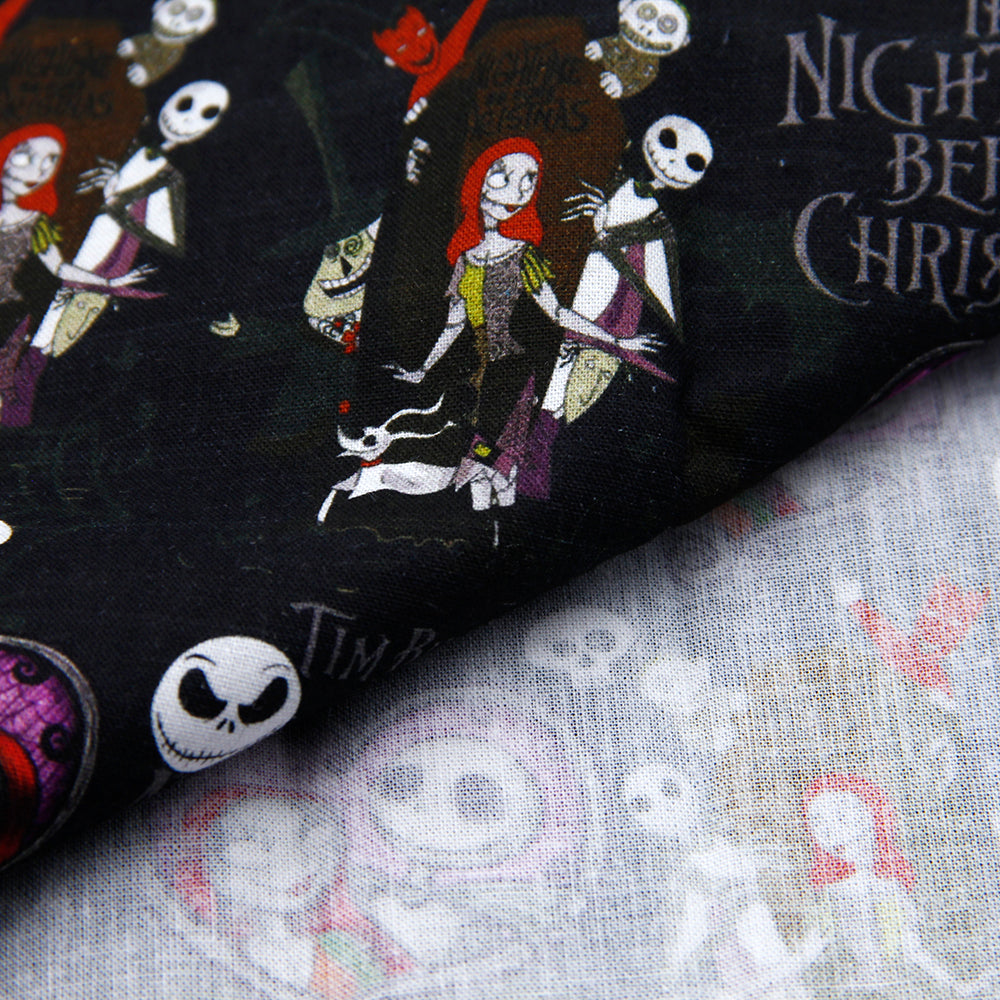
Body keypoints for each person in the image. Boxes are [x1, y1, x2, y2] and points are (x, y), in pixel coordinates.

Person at [386, 136, 658, 508]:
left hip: (516, 371)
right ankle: (500, 508)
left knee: (483, 454)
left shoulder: (523, 254)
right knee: (490, 461)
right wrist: (423, 371)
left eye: (529, 180)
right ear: (477, 183)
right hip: (484, 373)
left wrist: (617, 341)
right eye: (502, 176)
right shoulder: (466, 259)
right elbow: (453, 324)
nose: (518, 190)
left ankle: (500, 504)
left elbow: (557, 313)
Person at [0, 124, 148, 425]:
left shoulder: (36, 222)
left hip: (10, 318)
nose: (37, 170)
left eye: (49, 163)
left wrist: (108, 282)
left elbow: (59, 268)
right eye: (25, 155)